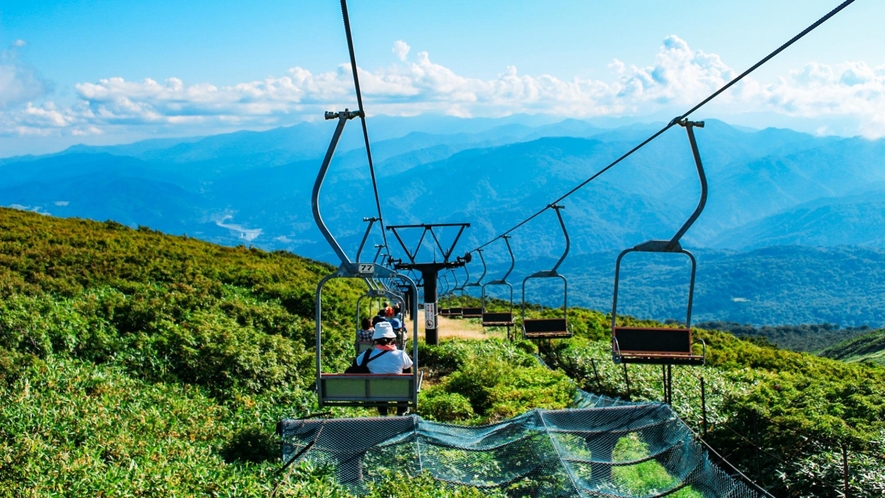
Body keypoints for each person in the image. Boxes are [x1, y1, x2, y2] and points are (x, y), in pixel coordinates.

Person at [359, 322, 413, 416]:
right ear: (392, 339)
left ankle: (383, 413)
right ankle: (401, 413)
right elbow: (408, 373)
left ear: (375, 340)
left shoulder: (367, 355)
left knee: (380, 388)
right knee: (404, 384)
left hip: (377, 392)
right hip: (400, 393)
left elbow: (356, 365)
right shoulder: (401, 354)